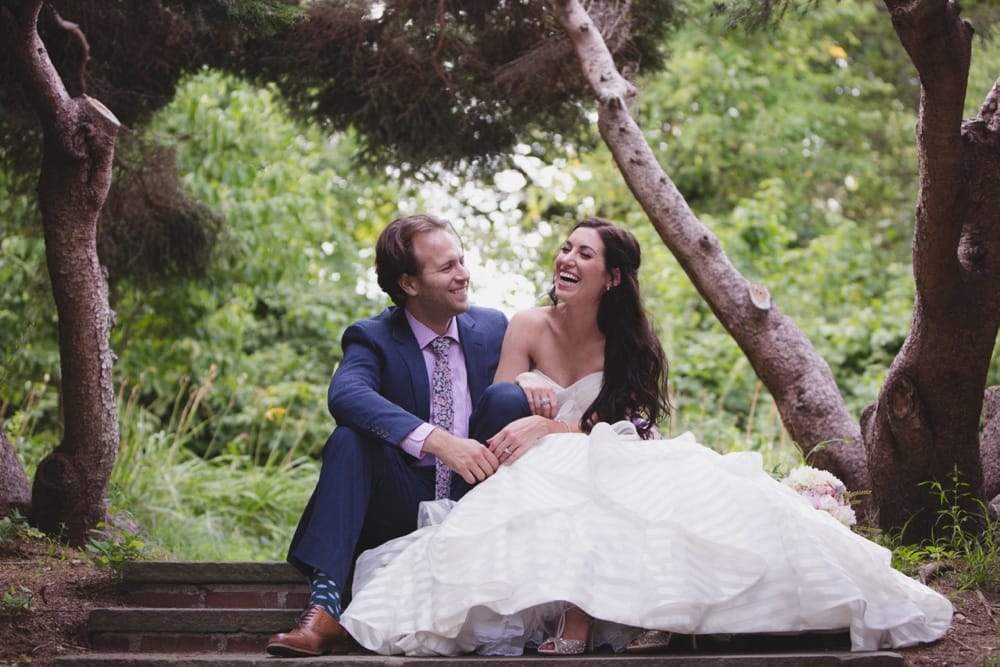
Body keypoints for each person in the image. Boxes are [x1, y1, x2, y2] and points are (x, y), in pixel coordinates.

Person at [337, 217, 953, 656]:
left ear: (611, 277)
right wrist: (529, 389)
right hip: (533, 458)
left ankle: (596, 611)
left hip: (606, 448)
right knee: (563, 477)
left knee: (633, 480)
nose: (566, 260)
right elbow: (500, 399)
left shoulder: (630, 343)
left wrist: (556, 423)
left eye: (584, 254)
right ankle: (569, 607)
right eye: (564, 248)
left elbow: (632, 423)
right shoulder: (523, 323)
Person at [265, 214, 527, 657]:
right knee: (350, 438)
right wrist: (439, 441)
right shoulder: (373, 336)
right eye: (447, 268)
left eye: (461, 261)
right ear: (408, 283)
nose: (463, 274)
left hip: (480, 501)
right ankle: (326, 605)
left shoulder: (496, 327)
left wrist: (535, 380)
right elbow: (346, 395)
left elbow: (557, 364)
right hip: (405, 500)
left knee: (507, 397)